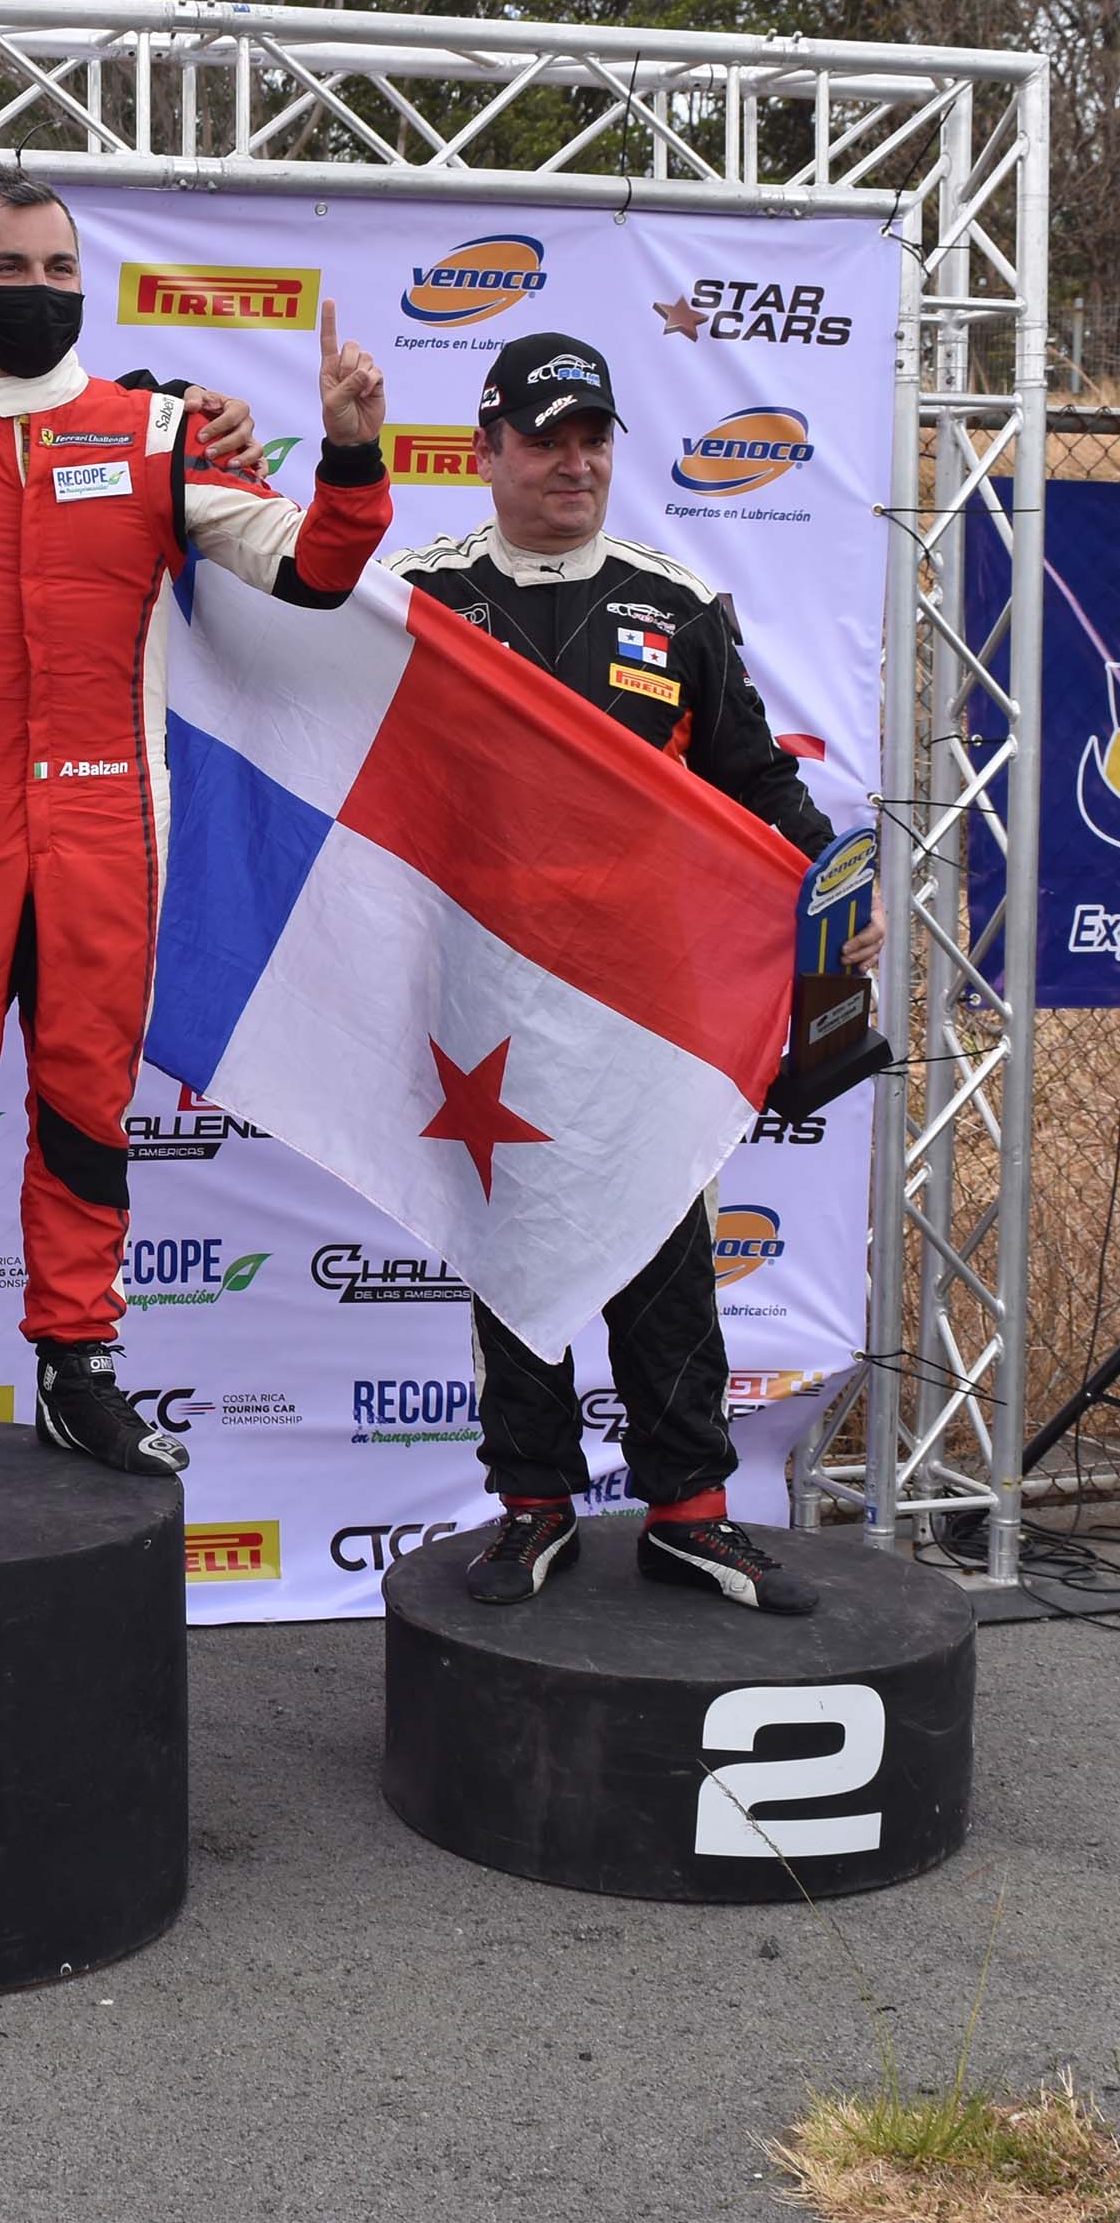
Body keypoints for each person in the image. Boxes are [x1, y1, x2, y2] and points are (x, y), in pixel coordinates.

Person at [0, 162, 393, 1485]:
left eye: (56, 271)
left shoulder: (155, 434)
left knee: (89, 1109)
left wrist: (353, 447)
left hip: (109, 832)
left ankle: (77, 1368)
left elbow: (316, 570)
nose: (36, 292)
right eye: (8, 270)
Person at [392, 330, 865, 1617]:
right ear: (485, 450)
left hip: (640, 1005)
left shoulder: (676, 602)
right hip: (482, 1000)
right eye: (545, 438)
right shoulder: (418, 596)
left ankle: (691, 1515)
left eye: (593, 436)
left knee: (662, 1259)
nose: (573, 461)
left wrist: (835, 901)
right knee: (515, 1256)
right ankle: (531, 1507)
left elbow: (759, 786)